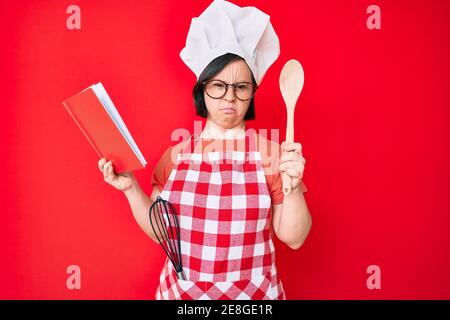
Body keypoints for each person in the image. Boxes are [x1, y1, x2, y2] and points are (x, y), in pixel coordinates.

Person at [98, 0, 311, 300]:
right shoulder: (175, 157)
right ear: (202, 88)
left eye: (241, 87)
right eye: (218, 85)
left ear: (252, 91)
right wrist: (131, 188)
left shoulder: (275, 155)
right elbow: (162, 232)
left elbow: (294, 238)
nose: (229, 98)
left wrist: (292, 182)